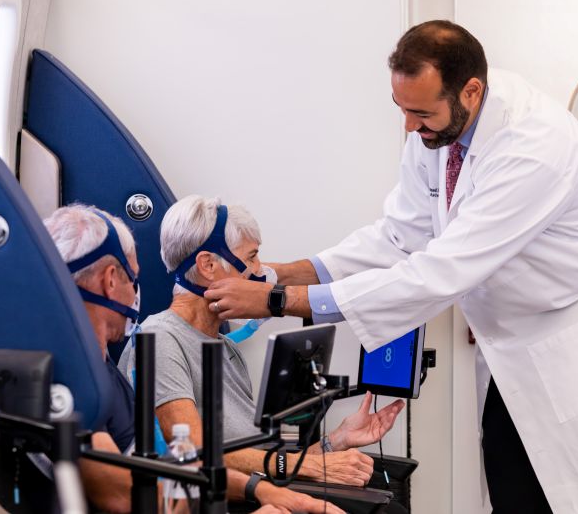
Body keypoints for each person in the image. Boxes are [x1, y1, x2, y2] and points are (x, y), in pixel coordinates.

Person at [203, 21, 578, 514]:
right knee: (518, 494)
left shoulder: (534, 144)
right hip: (511, 348)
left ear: (471, 91)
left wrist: (280, 303)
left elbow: (441, 271)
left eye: (421, 113)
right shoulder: (436, 130)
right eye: (402, 109)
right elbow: (399, 235)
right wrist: (282, 273)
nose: (409, 127)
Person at [45, 204, 343, 514]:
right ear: (109, 280)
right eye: (132, 277)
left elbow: (189, 467)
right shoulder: (85, 382)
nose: (260, 272)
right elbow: (152, 488)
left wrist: (269, 483)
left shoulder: (103, 373)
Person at [118, 195, 405, 487]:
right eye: (251, 257)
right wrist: (315, 467)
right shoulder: (159, 339)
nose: (261, 272)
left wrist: (336, 442)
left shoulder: (225, 350)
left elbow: (264, 465)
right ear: (207, 266)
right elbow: (195, 452)